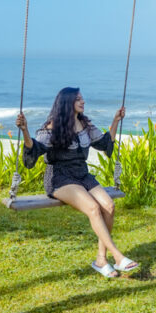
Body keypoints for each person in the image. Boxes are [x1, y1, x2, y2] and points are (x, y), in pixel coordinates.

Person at [15, 87, 139, 278]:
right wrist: (24, 130)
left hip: (82, 175)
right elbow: (35, 149)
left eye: (82, 99)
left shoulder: (85, 125)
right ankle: (118, 256)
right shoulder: (51, 128)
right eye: (78, 99)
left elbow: (105, 143)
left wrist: (115, 121)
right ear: (67, 103)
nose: (83, 102)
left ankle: (101, 259)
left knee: (109, 205)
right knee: (93, 208)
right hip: (60, 178)